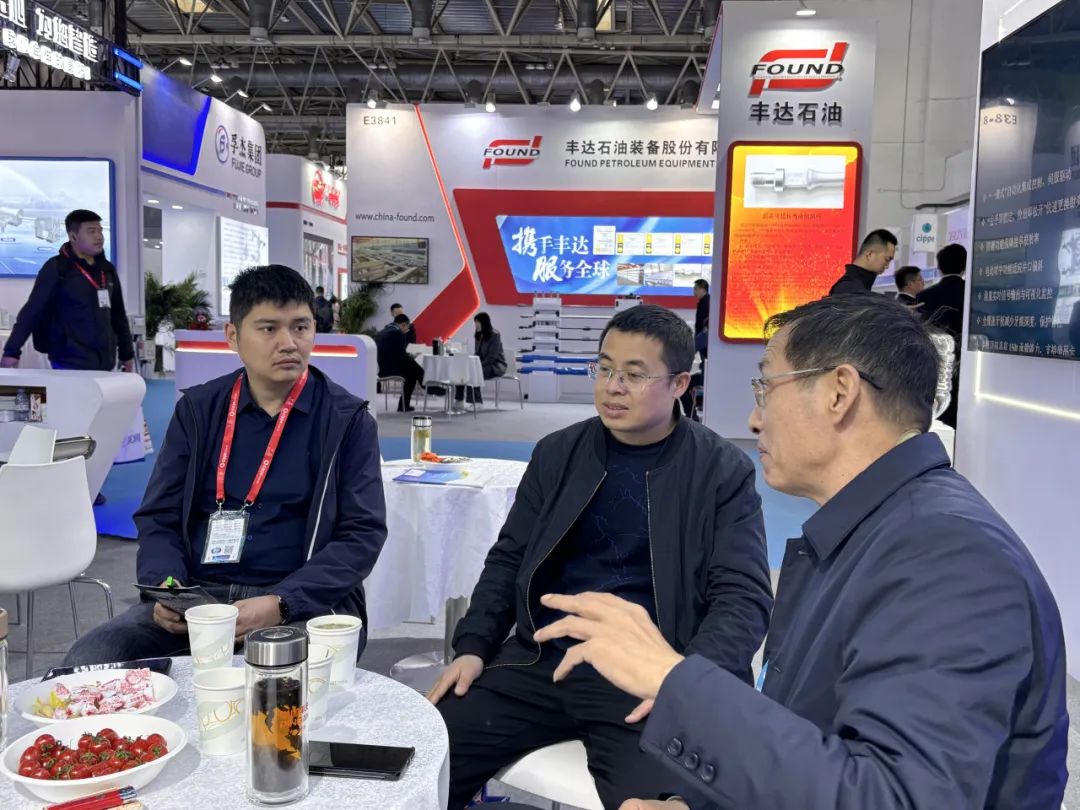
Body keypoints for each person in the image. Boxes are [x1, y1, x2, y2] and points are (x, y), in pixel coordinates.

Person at [536, 295, 1068, 810]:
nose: (753, 419)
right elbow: (806, 731)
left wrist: (672, 680)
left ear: (840, 393)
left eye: (766, 387)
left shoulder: (946, 556)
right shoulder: (869, 531)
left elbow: (893, 796)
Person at [429, 304, 773, 810]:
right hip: (539, 661)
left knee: (663, 803)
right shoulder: (558, 453)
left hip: (650, 676)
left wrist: (685, 682)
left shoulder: (721, 471)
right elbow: (509, 557)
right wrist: (474, 645)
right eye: (605, 368)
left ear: (679, 384)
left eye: (634, 375)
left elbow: (742, 598)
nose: (612, 387)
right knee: (419, 762)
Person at [63, 265, 388, 666]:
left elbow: (362, 534)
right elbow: (160, 514)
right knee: (91, 660)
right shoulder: (199, 411)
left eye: (301, 327)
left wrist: (281, 602)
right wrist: (167, 586)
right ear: (233, 336)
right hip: (200, 598)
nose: (289, 343)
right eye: (269, 329)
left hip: (301, 604)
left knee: (272, 678)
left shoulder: (346, 420)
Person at [1, 209, 135, 372]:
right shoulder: (57, 268)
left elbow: (118, 315)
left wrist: (127, 354)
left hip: (105, 363)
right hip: (68, 361)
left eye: (100, 231)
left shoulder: (107, 270)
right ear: (73, 236)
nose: (99, 237)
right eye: (91, 231)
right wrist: (12, 351)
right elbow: (32, 311)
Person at [917, 243, 967, 427]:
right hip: (966, 366)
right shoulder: (972, 294)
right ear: (965, 265)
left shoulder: (924, 296)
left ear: (939, 267)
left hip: (933, 365)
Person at [454, 312, 507, 406]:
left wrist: (477, 366)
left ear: (484, 323)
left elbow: (492, 357)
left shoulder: (495, 335)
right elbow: (477, 354)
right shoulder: (478, 335)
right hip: (482, 364)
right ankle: (459, 399)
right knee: (463, 370)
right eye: (475, 322)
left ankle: (477, 402)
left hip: (495, 365)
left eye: (477, 322)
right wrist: (470, 363)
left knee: (473, 372)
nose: (476, 325)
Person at [375, 313, 424, 412]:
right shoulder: (397, 333)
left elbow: (395, 353)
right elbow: (401, 356)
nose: (407, 331)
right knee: (415, 371)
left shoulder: (383, 331)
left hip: (381, 368)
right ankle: (429, 386)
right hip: (390, 368)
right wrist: (411, 357)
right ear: (403, 324)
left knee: (414, 369)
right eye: (407, 328)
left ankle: (404, 404)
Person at [827, 229, 898, 295]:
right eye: (887, 259)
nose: (887, 266)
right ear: (870, 254)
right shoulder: (848, 288)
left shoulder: (854, 286)